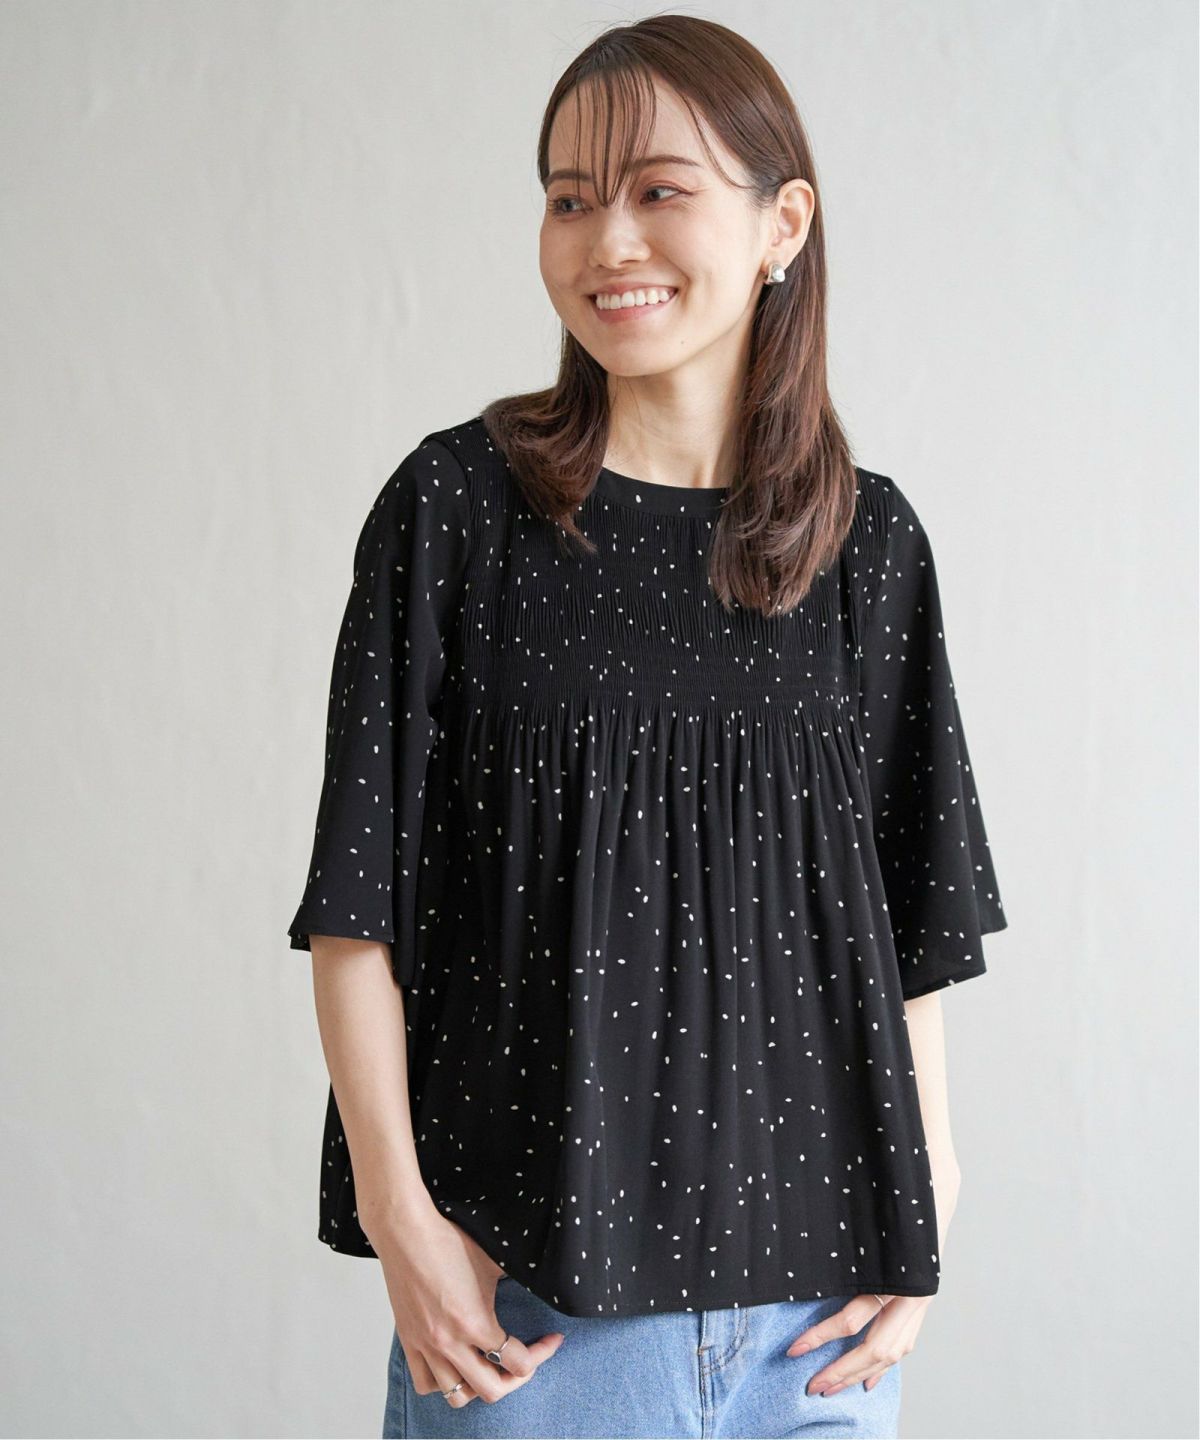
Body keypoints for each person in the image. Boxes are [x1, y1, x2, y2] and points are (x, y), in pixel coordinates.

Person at [286, 14, 1008, 1439]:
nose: (607, 239)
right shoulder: (455, 514)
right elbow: (356, 911)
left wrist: (932, 1199)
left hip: (820, 1336)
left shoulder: (867, 548)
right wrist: (401, 1221)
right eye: (569, 199)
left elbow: (907, 927)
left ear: (781, 224)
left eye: (657, 190)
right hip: (541, 1330)